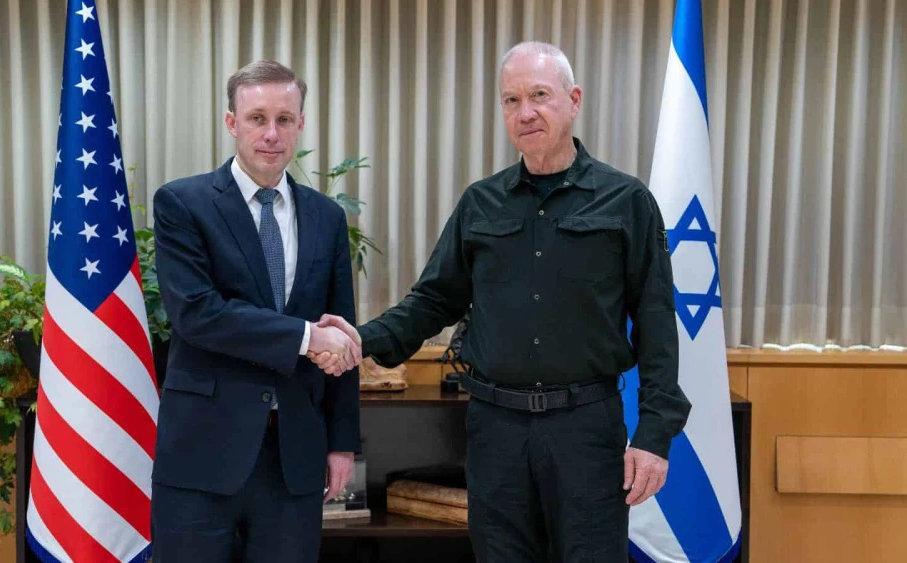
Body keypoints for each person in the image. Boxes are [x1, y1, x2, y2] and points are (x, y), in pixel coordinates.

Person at [311, 41, 691, 561]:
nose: (525, 112)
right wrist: (361, 338)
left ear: (574, 100)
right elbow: (432, 301)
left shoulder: (626, 201)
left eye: (539, 95)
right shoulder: (480, 203)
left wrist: (654, 435)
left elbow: (656, 322)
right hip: (496, 431)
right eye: (511, 100)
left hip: (586, 429)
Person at [151, 60, 363, 563]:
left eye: (284, 119)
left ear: (300, 124)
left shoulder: (327, 217)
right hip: (202, 454)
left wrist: (342, 444)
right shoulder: (183, 203)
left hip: (294, 457)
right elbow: (198, 313)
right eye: (257, 118)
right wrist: (307, 338)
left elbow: (340, 327)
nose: (271, 134)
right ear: (232, 123)